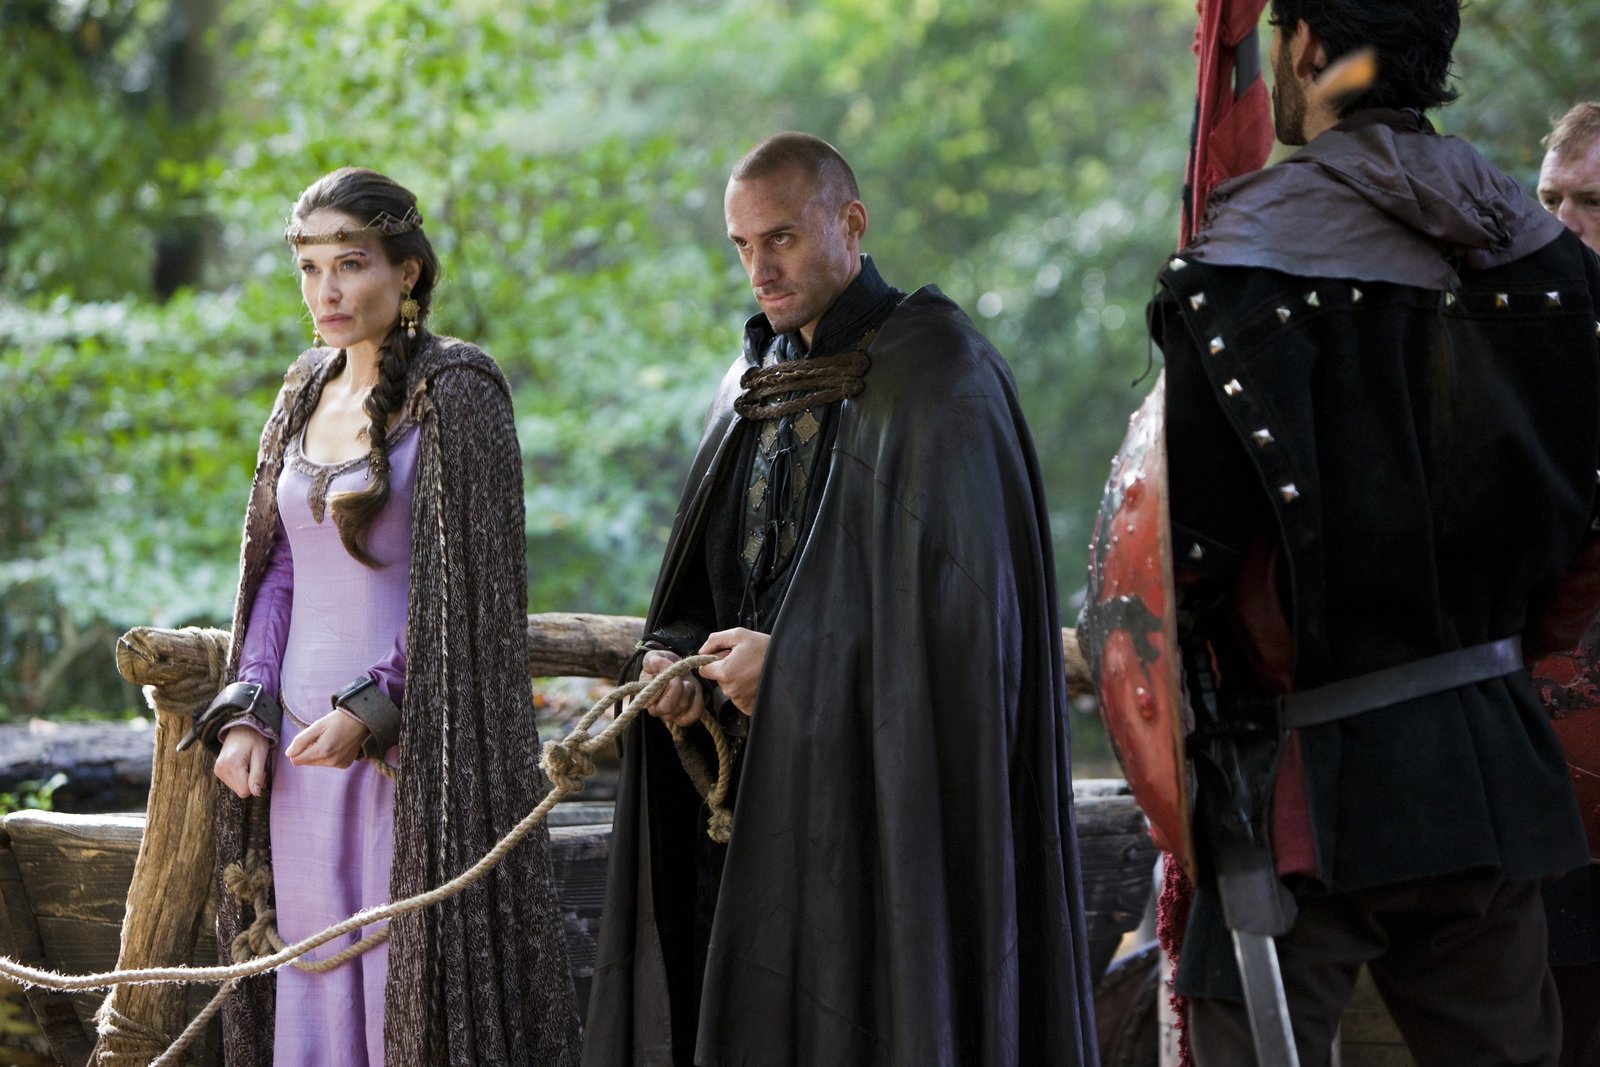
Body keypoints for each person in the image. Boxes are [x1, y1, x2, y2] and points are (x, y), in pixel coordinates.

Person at [1146, 2, 1600, 1064]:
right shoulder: (1553, 265)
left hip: (1306, 794)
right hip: (1490, 771)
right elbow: (1584, 537)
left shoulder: (1238, 266)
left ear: (1308, 46)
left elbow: (1182, 566)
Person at [583, 133, 1098, 1066]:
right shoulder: (751, 383)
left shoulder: (941, 377)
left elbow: (974, 639)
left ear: (850, 223)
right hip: (745, 807)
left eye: (780, 238)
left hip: (884, 815)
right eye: (742, 246)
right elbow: (707, 584)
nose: (760, 270)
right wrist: (672, 658)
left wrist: (796, 670)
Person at [195, 167, 580, 1066]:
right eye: (309, 267)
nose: (325, 290)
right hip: (298, 752)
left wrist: (374, 707)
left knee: (400, 980)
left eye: (350, 263)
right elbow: (277, 566)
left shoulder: (459, 391)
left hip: (414, 752)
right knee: (312, 974)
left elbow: (473, 591)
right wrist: (249, 709)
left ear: (406, 271)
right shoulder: (301, 389)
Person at [1535, 101, 1600, 1067]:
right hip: (1553, 790)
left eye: (1592, 203)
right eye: (1549, 199)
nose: (1562, 224)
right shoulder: (1521, 356)